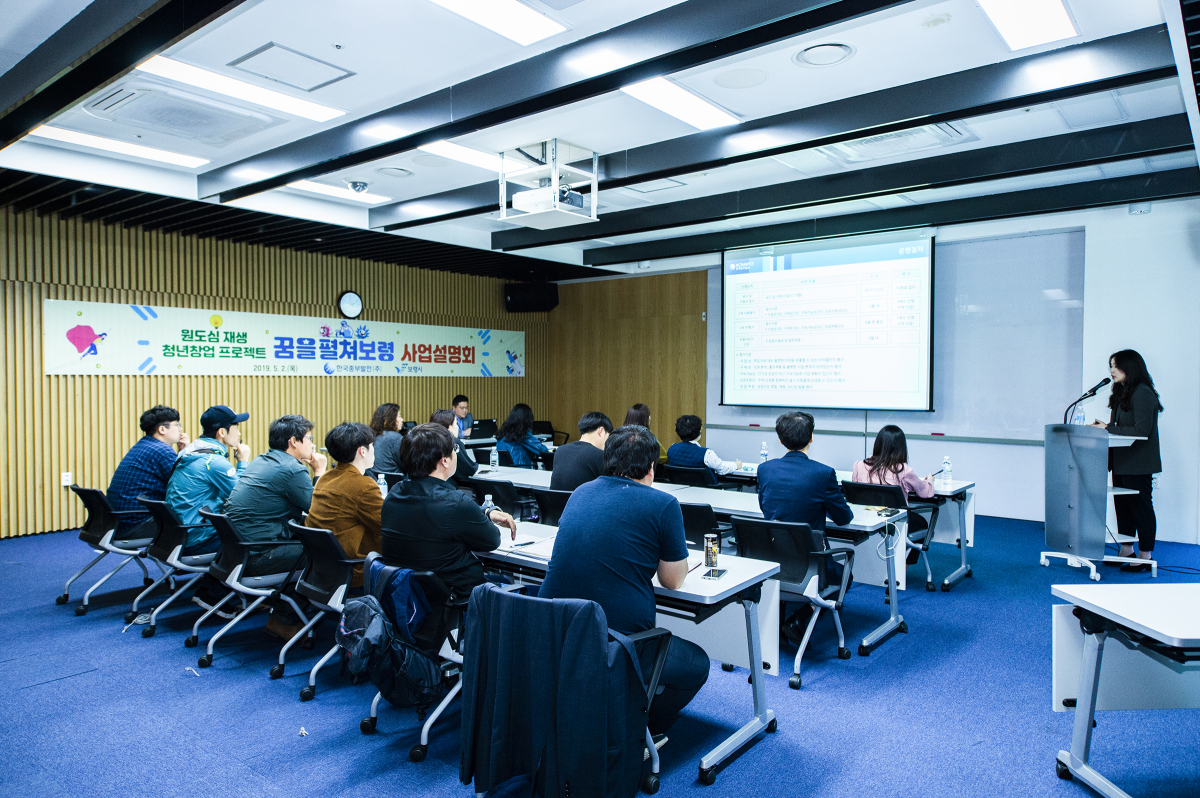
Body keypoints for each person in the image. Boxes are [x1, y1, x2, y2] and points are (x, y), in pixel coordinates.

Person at [539, 424, 708, 739]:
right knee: (698, 664)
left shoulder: (581, 492)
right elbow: (672, 581)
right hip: (619, 642)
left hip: (556, 631)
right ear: (651, 468)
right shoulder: (662, 504)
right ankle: (639, 734)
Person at [381, 423, 516, 597]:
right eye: (455, 451)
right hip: (457, 597)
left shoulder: (393, 494)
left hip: (409, 598)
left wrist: (485, 512)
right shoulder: (455, 503)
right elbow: (492, 540)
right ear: (444, 461)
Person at [224, 415, 327, 639]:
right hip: (259, 555)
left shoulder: (262, 459)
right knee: (324, 554)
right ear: (293, 442)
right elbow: (318, 510)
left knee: (306, 540)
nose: (311, 444)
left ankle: (284, 605)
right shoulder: (292, 469)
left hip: (236, 552)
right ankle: (283, 619)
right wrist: (319, 472)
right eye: (309, 438)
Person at [756, 410, 853, 643]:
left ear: (780, 440)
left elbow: (765, 508)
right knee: (846, 575)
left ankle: (777, 622)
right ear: (811, 438)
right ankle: (802, 617)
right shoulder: (823, 473)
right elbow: (843, 518)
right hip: (811, 565)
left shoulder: (765, 469)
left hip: (772, 559)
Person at [1091, 349, 1163, 572]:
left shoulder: (1143, 392)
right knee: (1122, 507)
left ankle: (1145, 554)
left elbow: (1141, 430)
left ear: (1130, 367)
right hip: (1121, 460)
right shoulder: (1121, 392)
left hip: (1139, 462)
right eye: (1111, 366)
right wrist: (1105, 427)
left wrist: (1108, 428)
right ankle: (1126, 549)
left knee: (1140, 508)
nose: (1112, 370)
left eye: (1116, 366)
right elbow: (1122, 428)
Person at [166, 405, 251, 556]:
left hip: (178, 535)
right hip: (198, 540)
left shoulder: (190, 450)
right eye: (235, 427)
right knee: (255, 530)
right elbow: (244, 496)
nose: (238, 433)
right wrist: (243, 462)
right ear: (222, 432)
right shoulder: (212, 461)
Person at [306, 421, 383, 586]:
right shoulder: (363, 485)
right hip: (354, 573)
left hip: (323, 572)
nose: (374, 450)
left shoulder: (325, 478)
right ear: (362, 451)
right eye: (372, 445)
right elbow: (388, 526)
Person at [851, 425, 935, 565]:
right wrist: (930, 481)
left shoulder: (859, 465)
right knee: (923, 524)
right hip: (895, 521)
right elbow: (926, 492)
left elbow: (855, 492)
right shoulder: (903, 470)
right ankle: (904, 568)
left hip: (866, 519)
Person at [107, 405, 190, 536]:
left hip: (116, 522)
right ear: (162, 429)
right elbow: (186, 485)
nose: (181, 429)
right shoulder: (162, 450)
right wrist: (186, 452)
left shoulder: (144, 445)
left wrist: (181, 453)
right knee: (201, 520)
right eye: (177, 425)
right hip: (136, 523)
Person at [667, 414, 741, 484]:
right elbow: (722, 469)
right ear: (699, 432)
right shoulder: (707, 454)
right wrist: (736, 465)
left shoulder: (672, 449)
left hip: (681, 492)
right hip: (707, 494)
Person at [549, 412, 611, 491]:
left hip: (556, 503)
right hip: (584, 502)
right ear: (601, 431)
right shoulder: (599, 455)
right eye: (608, 436)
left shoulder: (560, 450)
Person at [431, 408, 478, 486]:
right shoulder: (453, 442)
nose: (457, 427)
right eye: (456, 424)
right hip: (447, 487)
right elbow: (468, 469)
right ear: (449, 427)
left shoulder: (425, 440)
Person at [495, 403, 548, 469]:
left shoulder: (502, 433)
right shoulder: (522, 434)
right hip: (520, 471)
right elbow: (543, 451)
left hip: (503, 472)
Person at [368, 403, 405, 474]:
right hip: (396, 481)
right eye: (399, 416)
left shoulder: (371, 436)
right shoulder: (395, 437)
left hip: (375, 480)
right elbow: (407, 465)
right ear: (390, 419)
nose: (402, 419)